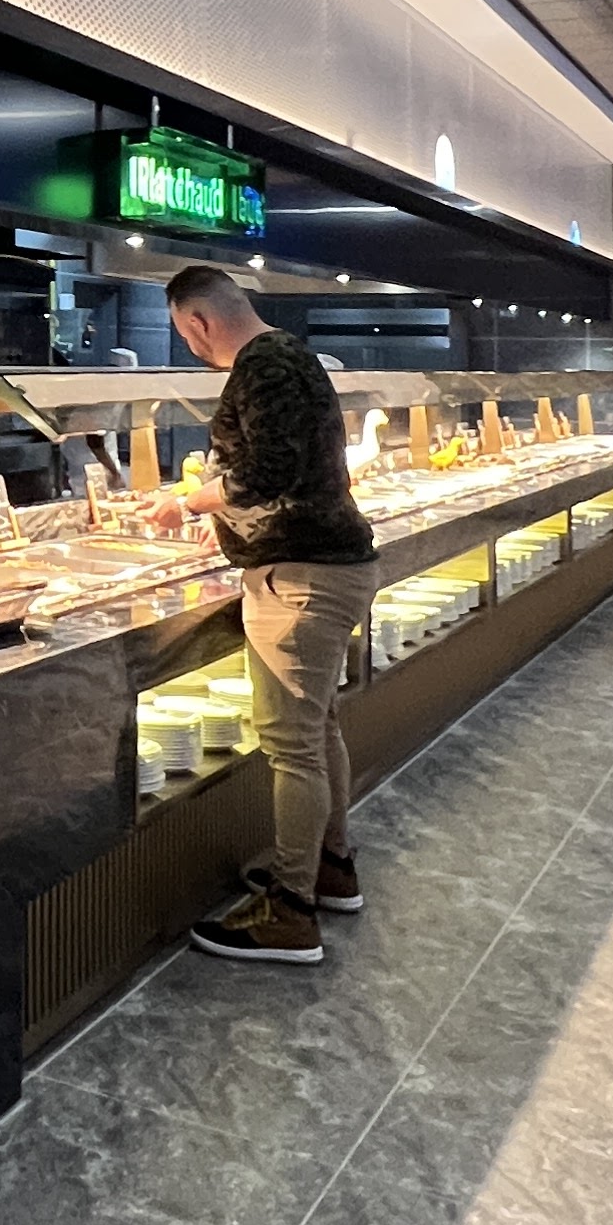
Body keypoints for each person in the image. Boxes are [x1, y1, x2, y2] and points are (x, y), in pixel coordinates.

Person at [163, 263, 382, 969]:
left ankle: (290, 912)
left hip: (303, 579)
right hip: (326, 566)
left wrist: (188, 504)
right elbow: (283, 471)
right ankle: (330, 868)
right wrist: (226, 519)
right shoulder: (289, 355)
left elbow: (268, 472)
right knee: (317, 730)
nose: (190, 345)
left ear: (198, 321)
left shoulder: (262, 364)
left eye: (184, 332)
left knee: (292, 746)